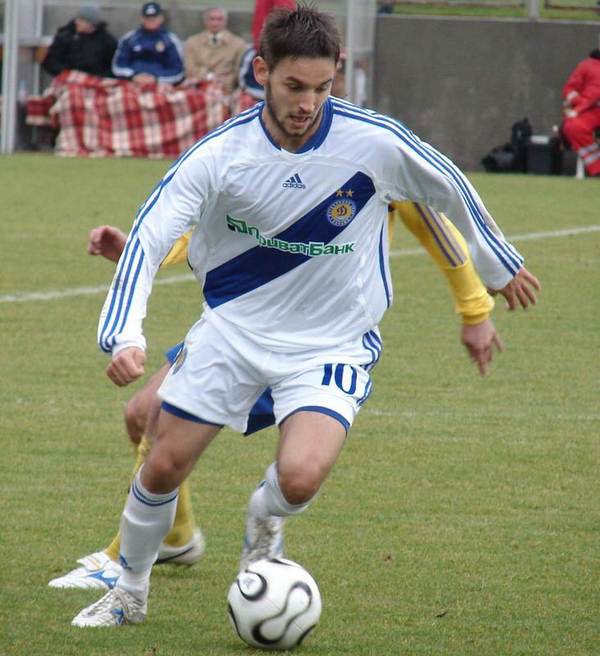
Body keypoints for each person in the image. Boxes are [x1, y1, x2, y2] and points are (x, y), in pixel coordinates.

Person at [72, 4, 540, 627]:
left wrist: (495, 266)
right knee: (162, 463)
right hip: (233, 334)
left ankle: (264, 524)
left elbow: (447, 186)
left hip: (330, 344)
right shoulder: (221, 154)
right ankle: (129, 593)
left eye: (323, 87)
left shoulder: (373, 142)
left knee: (299, 477)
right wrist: (123, 334)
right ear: (261, 71)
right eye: (295, 86)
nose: (308, 103)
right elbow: (154, 233)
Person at [51, 195, 527, 590]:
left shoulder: (372, 148)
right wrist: (145, 250)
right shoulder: (258, 147)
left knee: (291, 470)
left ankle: (143, 553)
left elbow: (433, 221)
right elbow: (231, 230)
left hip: (318, 340)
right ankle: (174, 539)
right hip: (244, 323)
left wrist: (474, 309)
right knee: (142, 414)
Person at [112, 2, 185, 85]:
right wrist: (133, 76)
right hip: (132, 82)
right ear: (141, 18)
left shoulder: (171, 40)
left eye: (154, 18)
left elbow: (178, 72)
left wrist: (156, 78)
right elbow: (118, 66)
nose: (151, 21)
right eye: (147, 18)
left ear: (161, 18)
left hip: (160, 85)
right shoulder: (129, 38)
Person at [42, 5, 117, 78]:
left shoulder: (107, 41)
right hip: (67, 80)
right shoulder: (65, 37)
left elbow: (114, 67)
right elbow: (51, 60)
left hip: (95, 82)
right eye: (77, 18)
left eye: (81, 20)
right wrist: (65, 73)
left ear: (91, 23)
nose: (76, 22)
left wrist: (98, 78)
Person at [184, 8, 247, 93]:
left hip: (227, 90)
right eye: (211, 19)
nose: (215, 23)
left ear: (225, 22)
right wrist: (207, 77)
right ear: (205, 21)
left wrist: (224, 82)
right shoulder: (192, 42)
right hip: (197, 89)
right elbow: (189, 68)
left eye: (219, 19)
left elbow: (239, 72)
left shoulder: (238, 44)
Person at [561, 46, 600, 177]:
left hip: (588, 108)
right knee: (574, 126)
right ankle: (597, 167)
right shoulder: (585, 66)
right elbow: (570, 89)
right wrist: (580, 103)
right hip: (592, 110)